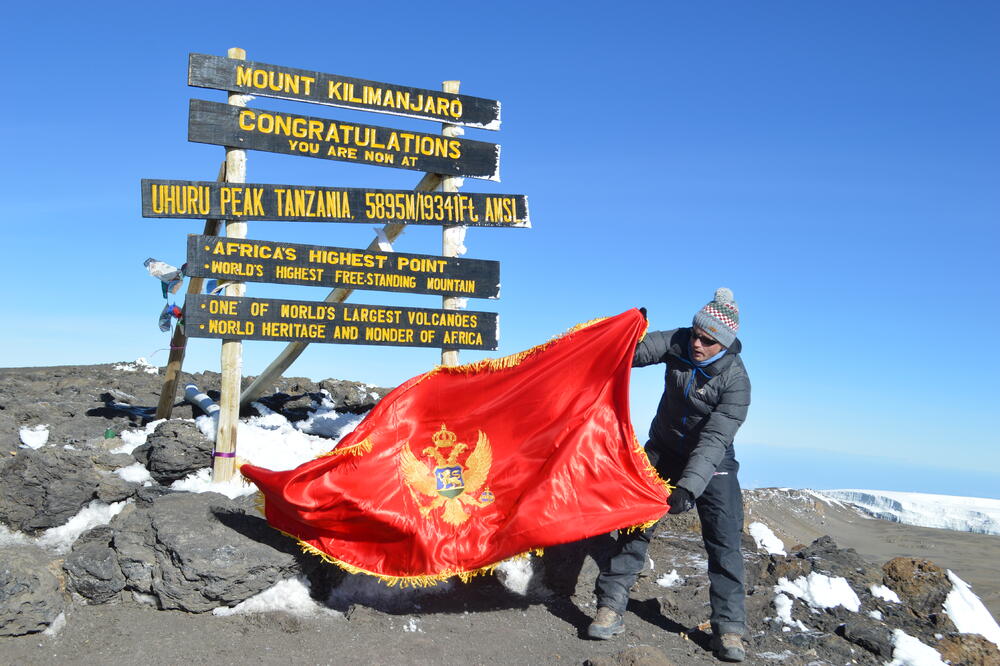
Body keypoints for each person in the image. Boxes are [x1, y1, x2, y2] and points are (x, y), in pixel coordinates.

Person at [588, 288, 751, 663]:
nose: (696, 343)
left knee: (724, 543)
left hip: (713, 463)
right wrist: (621, 334)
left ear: (724, 344)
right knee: (635, 527)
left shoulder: (736, 383)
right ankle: (610, 608)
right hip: (663, 449)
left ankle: (729, 631)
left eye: (708, 340)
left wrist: (688, 488)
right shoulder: (680, 340)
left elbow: (714, 439)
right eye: (695, 334)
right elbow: (635, 352)